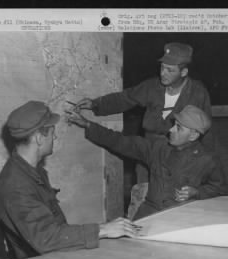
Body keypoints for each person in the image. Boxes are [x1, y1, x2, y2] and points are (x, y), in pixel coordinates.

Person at [0, 101, 140, 259]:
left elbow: (55, 228)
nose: (54, 137)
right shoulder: (16, 187)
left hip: (52, 256)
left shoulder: (31, 171)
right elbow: (47, 239)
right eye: (51, 132)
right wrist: (102, 230)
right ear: (39, 138)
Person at [74, 42, 212, 182]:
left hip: (180, 156)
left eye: (170, 70)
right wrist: (95, 104)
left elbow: (204, 131)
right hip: (148, 152)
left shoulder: (198, 93)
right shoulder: (152, 86)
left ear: (183, 72)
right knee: (143, 192)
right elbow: (125, 98)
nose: (162, 73)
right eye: (162, 67)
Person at [67, 105, 227, 220]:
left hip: (181, 219)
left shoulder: (207, 160)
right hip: (149, 216)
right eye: (173, 125)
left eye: (178, 128)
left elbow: (218, 189)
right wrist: (88, 124)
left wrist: (197, 193)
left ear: (193, 136)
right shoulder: (158, 148)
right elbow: (121, 141)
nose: (171, 130)